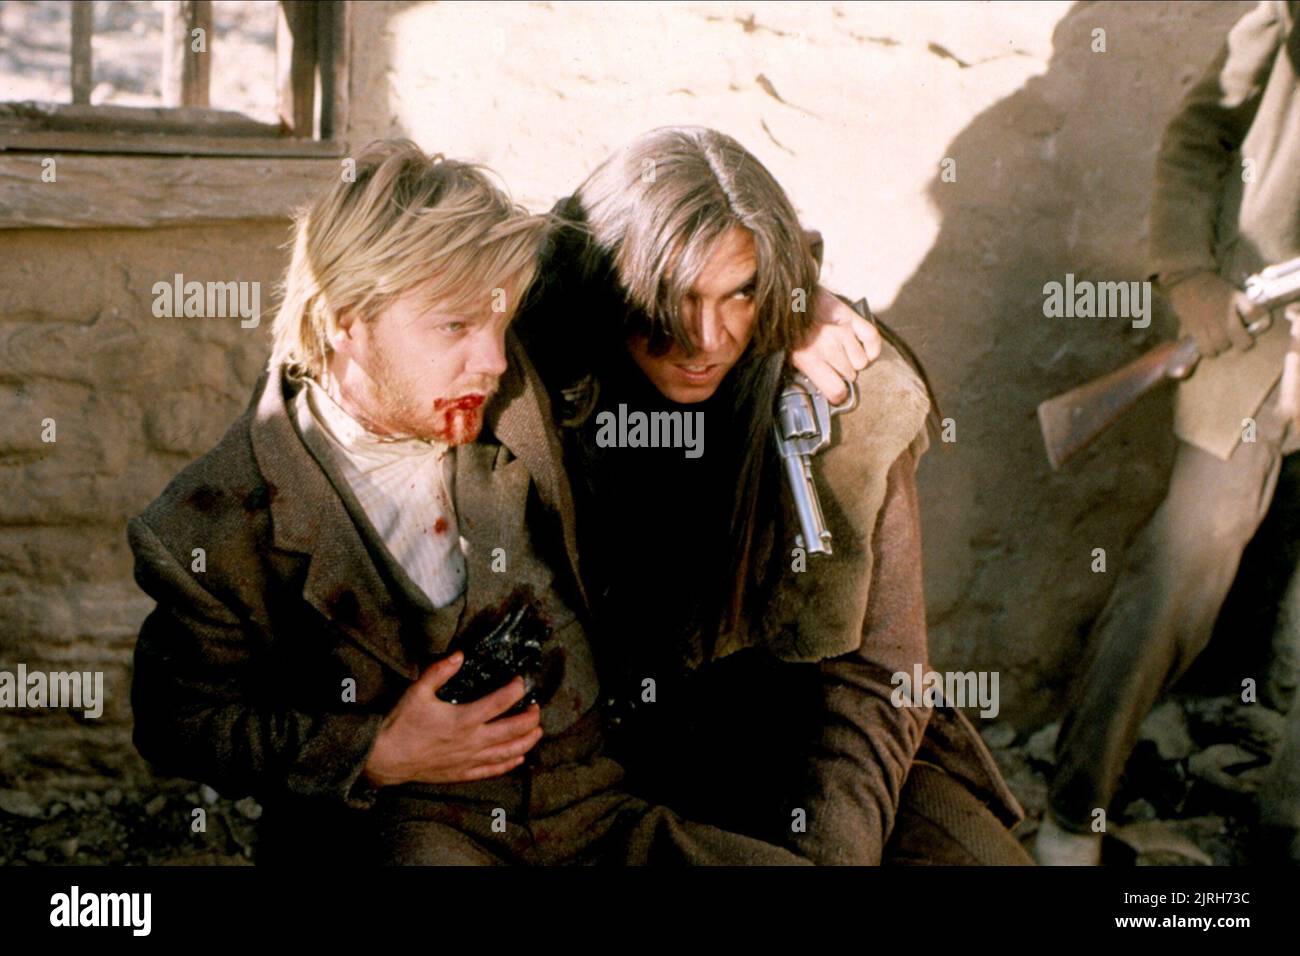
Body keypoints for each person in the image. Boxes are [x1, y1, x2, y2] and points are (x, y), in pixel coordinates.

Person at [127, 139, 824, 865]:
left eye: (499, 323)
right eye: (455, 327)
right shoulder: (214, 524)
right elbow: (178, 722)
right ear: (346, 321)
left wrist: (807, 312)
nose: (492, 360)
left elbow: (690, 240)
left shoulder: (514, 378)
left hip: (596, 813)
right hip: (407, 830)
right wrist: (374, 752)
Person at [514, 126, 1032, 865]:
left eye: (740, 294)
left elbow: (881, 678)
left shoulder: (842, 399)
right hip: (612, 783)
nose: (707, 338)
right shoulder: (529, 375)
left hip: (808, 758)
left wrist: (832, 851)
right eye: (678, 297)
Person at [1038, 0, 1300, 865]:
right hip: (1259, 333)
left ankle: (1281, 828)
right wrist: (1190, 275)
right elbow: (1200, 135)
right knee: (1178, 573)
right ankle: (1072, 822)